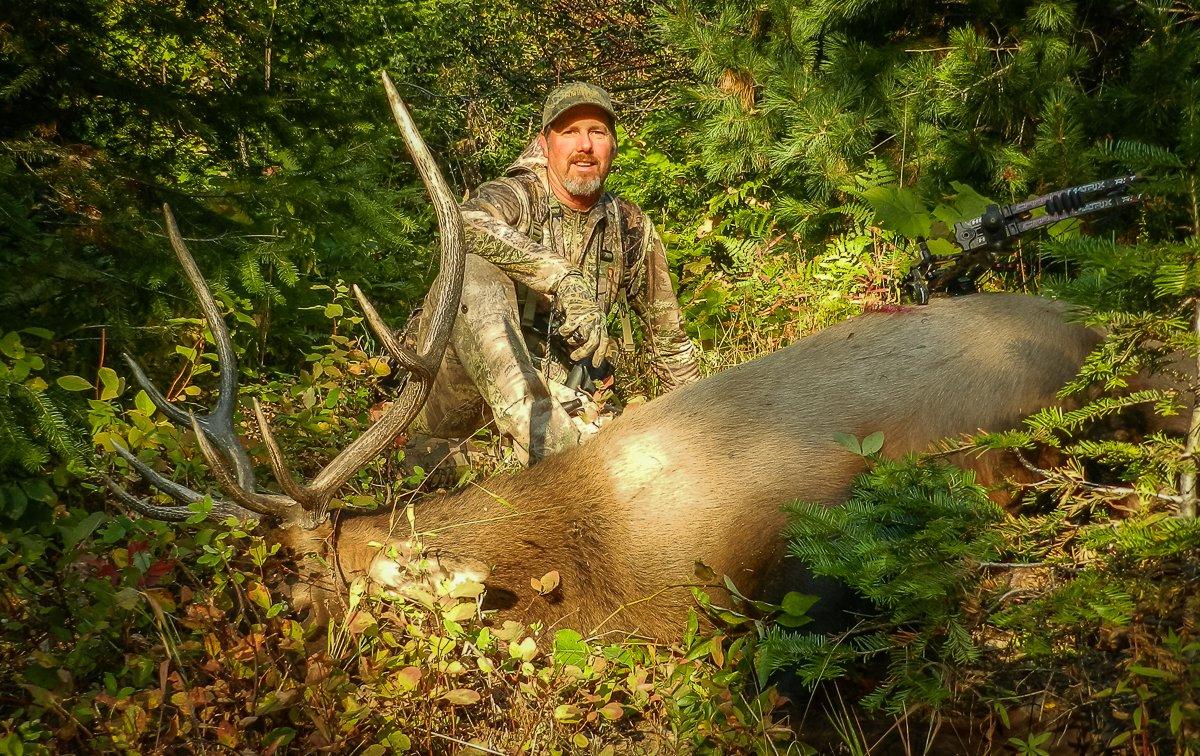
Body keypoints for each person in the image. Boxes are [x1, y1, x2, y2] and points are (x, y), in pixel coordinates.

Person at [412, 82, 700, 464]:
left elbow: (670, 344)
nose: (584, 145)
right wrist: (562, 278)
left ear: (612, 146)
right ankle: (555, 453)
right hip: (460, 419)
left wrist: (704, 427)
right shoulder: (517, 196)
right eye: (570, 133)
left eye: (597, 133)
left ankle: (559, 454)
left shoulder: (629, 226)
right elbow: (463, 224)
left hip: (572, 408)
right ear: (545, 145)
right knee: (473, 273)